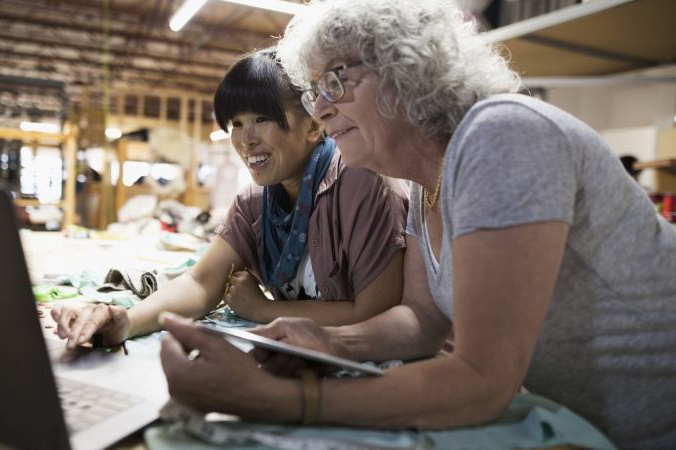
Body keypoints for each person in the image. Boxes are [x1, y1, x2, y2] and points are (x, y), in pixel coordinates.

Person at [158, 1, 676, 449]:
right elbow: (422, 321)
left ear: (405, 70)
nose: (321, 109)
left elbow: (481, 382)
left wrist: (279, 398)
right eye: (315, 90)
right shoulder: (425, 182)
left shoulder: (503, 135)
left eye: (335, 81)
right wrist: (328, 342)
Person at [52, 49, 409, 350]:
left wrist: (263, 311)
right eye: (236, 124)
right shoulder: (256, 201)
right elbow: (200, 283)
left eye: (262, 119)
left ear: (314, 125)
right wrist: (126, 322)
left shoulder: (360, 182)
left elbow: (375, 312)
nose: (246, 140)